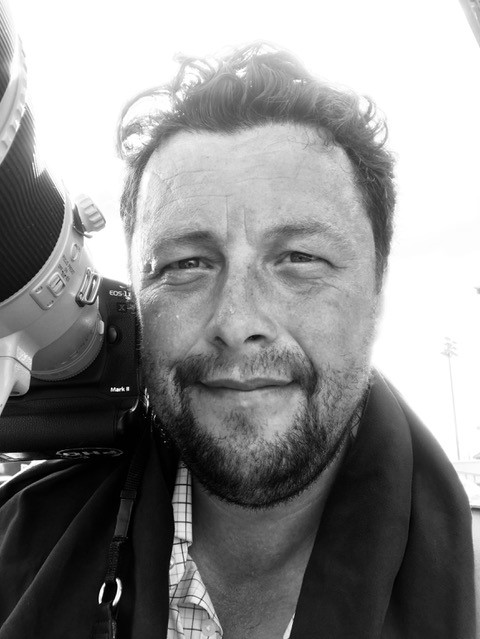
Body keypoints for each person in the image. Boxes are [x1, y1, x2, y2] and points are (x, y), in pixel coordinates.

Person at [0, 43, 475, 639]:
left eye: (299, 258)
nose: (237, 319)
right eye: (186, 264)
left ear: (378, 291)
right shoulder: (13, 548)